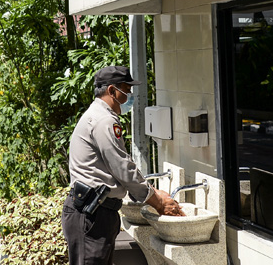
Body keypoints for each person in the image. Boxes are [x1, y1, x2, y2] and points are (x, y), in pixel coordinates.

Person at [62, 65, 184, 265]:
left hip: (94, 212)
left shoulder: (97, 116)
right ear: (111, 91)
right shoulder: (104, 121)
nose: (129, 98)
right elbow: (123, 168)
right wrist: (158, 202)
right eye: (126, 92)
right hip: (92, 215)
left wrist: (152, 193)